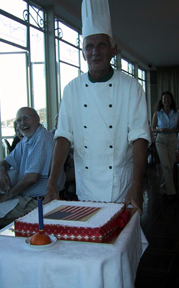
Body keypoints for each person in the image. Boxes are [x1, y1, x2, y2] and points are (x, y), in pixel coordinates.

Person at [44, 0, 150, 214]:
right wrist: (52, 182)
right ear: (83, 53)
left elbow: (140, 137)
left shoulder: (131, 87)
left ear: (113, 50)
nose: (95, 52)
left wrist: (137, 185)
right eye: (89, 47)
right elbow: (63, 137)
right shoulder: (72, 89)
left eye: (102, 45)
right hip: (87, 188)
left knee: (121, 242)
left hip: (122, 187)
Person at [0, 107, 65, 232]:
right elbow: (5, 162)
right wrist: (1, 170)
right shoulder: (27, 140)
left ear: (37, 119)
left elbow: (32, 177)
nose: (22, 123)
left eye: (26, 118)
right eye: (19, 121)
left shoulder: (42, 138)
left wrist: (8, 195)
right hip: (26, 198)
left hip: (40, 202)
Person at [151, 91, 179, 199]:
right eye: (164, 99)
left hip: (172, 138)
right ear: (161, 101)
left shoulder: (176, 113)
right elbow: (153, 128)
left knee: (169, 166)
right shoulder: (157, 114)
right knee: (166, 166)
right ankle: (172, 192)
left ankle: (164, 187)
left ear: (171, 100)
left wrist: (171, 129)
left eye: (168, 98)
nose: (166, 100)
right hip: (161, 139)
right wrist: (160, 129)